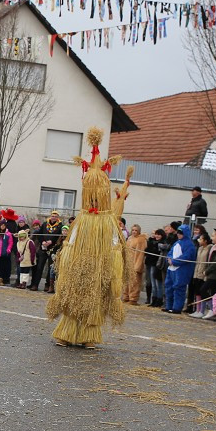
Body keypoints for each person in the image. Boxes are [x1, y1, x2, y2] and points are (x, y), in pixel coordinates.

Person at [47, 128, 132, 348]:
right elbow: (70, 243)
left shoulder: (107, 220)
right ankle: (67, 333)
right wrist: (66, 265)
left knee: (93, 302)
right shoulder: (83, 219)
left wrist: (112, 271)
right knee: (75, 299)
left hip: (97, 269)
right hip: (79, 268)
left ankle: (88, 337)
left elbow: (114, 245)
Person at [164, 225, 196, 314]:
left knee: (179, 288)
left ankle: (177, 308)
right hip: (171, 269)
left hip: (181, 270)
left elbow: (186, 257)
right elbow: (170, 252)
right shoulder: (176, 243)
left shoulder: (190, 245)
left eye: (181, 233)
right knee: (169, 287)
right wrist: (169, 259)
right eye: (178, 232)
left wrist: (174, 261)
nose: (179, 234)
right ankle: (168, 306)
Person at [123, 225, 147, 305]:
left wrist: (138, 265)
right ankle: (126, 296)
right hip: (128, 262)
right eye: (132, 230)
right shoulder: (130, 238)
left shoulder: (141, 240)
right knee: (127, 281)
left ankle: (133, 298)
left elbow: (140, 254)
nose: (134, 232)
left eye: (136, 230)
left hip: (135, 262)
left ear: (139, 231)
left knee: (134, 282)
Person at [146, 229, 166, 307]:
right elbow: (147, 249)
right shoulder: (152, 241)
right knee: (153, 283)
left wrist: (152, 250)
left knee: (158, 284)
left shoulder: (162, 243)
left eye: (159, 234)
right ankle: (154, 299)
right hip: (151, 263)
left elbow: (155, 252)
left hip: (157, 265)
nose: (157, 236)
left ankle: (159, 299)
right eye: (156, 234)